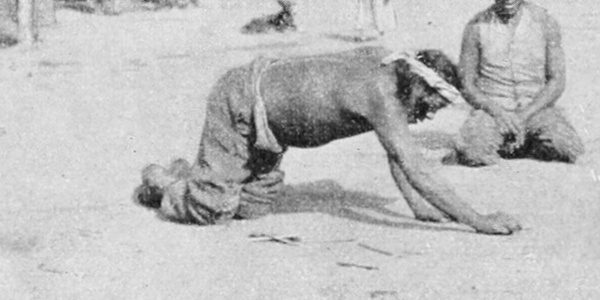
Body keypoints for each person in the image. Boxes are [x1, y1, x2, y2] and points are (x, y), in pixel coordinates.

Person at [136, 47, 521, 235]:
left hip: (270, 134)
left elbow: (397, 154)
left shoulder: (394, 76)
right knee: (212, 210)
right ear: (418, 83)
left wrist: (418, 207)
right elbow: (414, 165)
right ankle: (163, 180)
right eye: (428, 105)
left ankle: (197, 175)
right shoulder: (382, 93)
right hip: (241, 102)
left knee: (251, 209)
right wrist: (478, 221)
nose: (427, 115)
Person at [454, 0, 585, 166]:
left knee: (568, 147)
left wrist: (525, 115)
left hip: (535, 109)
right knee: (473, 152)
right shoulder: (476, 27)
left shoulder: (545, 23)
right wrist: (498, 112)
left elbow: (557, 80)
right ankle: (504, 140)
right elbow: (466, 84)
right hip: (493, 112)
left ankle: (524, 142)